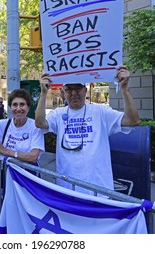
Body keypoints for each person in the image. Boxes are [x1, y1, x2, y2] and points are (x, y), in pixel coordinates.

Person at [35, 65, 140, 195]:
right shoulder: (58, 114)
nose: (74, 93)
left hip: (98, 189)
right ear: (63, 92)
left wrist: (125, 89)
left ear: (85, 90)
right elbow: (40, 123)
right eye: (69, 89)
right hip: (68, 187)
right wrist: (43, 93)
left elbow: (133, 121)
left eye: (78, 88)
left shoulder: (101, 112)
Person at [0, 89, 45, 164]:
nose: (18, 109)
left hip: (26, 174)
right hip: (6, 173)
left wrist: (6, 151)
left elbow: (33, 156)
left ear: (28, 107)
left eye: (22, 104)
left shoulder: (35, 127)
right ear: (10, 107)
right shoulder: (2, 124)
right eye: (15, 105)